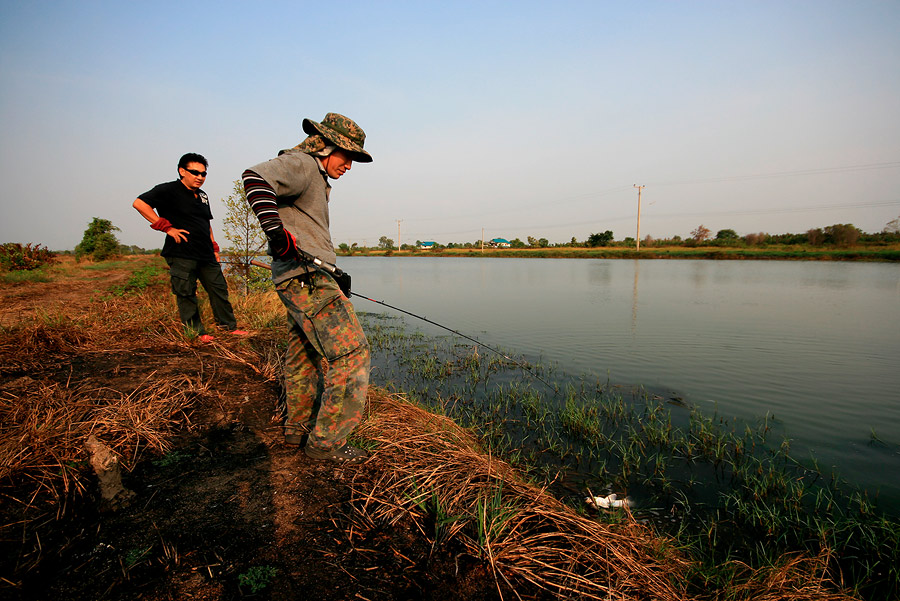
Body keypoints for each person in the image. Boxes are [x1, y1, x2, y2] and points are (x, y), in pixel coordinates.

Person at [242, 113, 372, 464]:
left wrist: (335, 272)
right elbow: (254, 178)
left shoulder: (314, 175)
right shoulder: (301, 163)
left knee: (303, 355)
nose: (349, 165)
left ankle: (296, 431)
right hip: (305, 278)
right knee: (352, 355)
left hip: (306, 275)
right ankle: (327, 445)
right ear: (326, 145)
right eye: (347, 156)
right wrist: (276, 233)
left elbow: (306, 230)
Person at [133, 152, 248, 342]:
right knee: (186, 292)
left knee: (219, 288)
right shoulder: (168, 190)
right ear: (182, 171)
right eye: (195, 172)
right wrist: (166, 228)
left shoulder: (202, 195)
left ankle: (228, 327)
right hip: (182, 253)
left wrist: (214, 247)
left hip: (206, 253)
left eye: (203, 174)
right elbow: (139, 203)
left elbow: (206, 222)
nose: (200, 177)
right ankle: (197, 332)